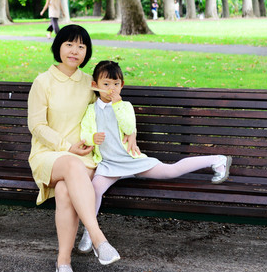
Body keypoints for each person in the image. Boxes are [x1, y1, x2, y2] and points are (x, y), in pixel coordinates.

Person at [76, 60, 232, 253]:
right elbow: (84, 133)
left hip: (132, 160)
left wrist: (117, 104)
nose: (111, 89)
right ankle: (90, 232)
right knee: (94, 190)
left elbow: (128, 127)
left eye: (116, 84)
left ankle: (216, 160)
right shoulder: (91, 111)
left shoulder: (124, 106)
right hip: (108, 164)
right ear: (95, 85)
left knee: (170, 170)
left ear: (122, 86)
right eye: (106, 84)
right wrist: (92, 138)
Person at [27, 25, 120, 272]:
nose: (75, 50)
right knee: (69, 165)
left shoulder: (89, 82)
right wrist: (66, 146)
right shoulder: (43, 81)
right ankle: (98, 238)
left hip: (83, 156)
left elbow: (105, 113)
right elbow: (36, 125)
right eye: (69, 44)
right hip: (49, 154)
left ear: (87, 52)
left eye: (81, 46)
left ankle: (64, 261)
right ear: (58, 46)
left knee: (67, 190)